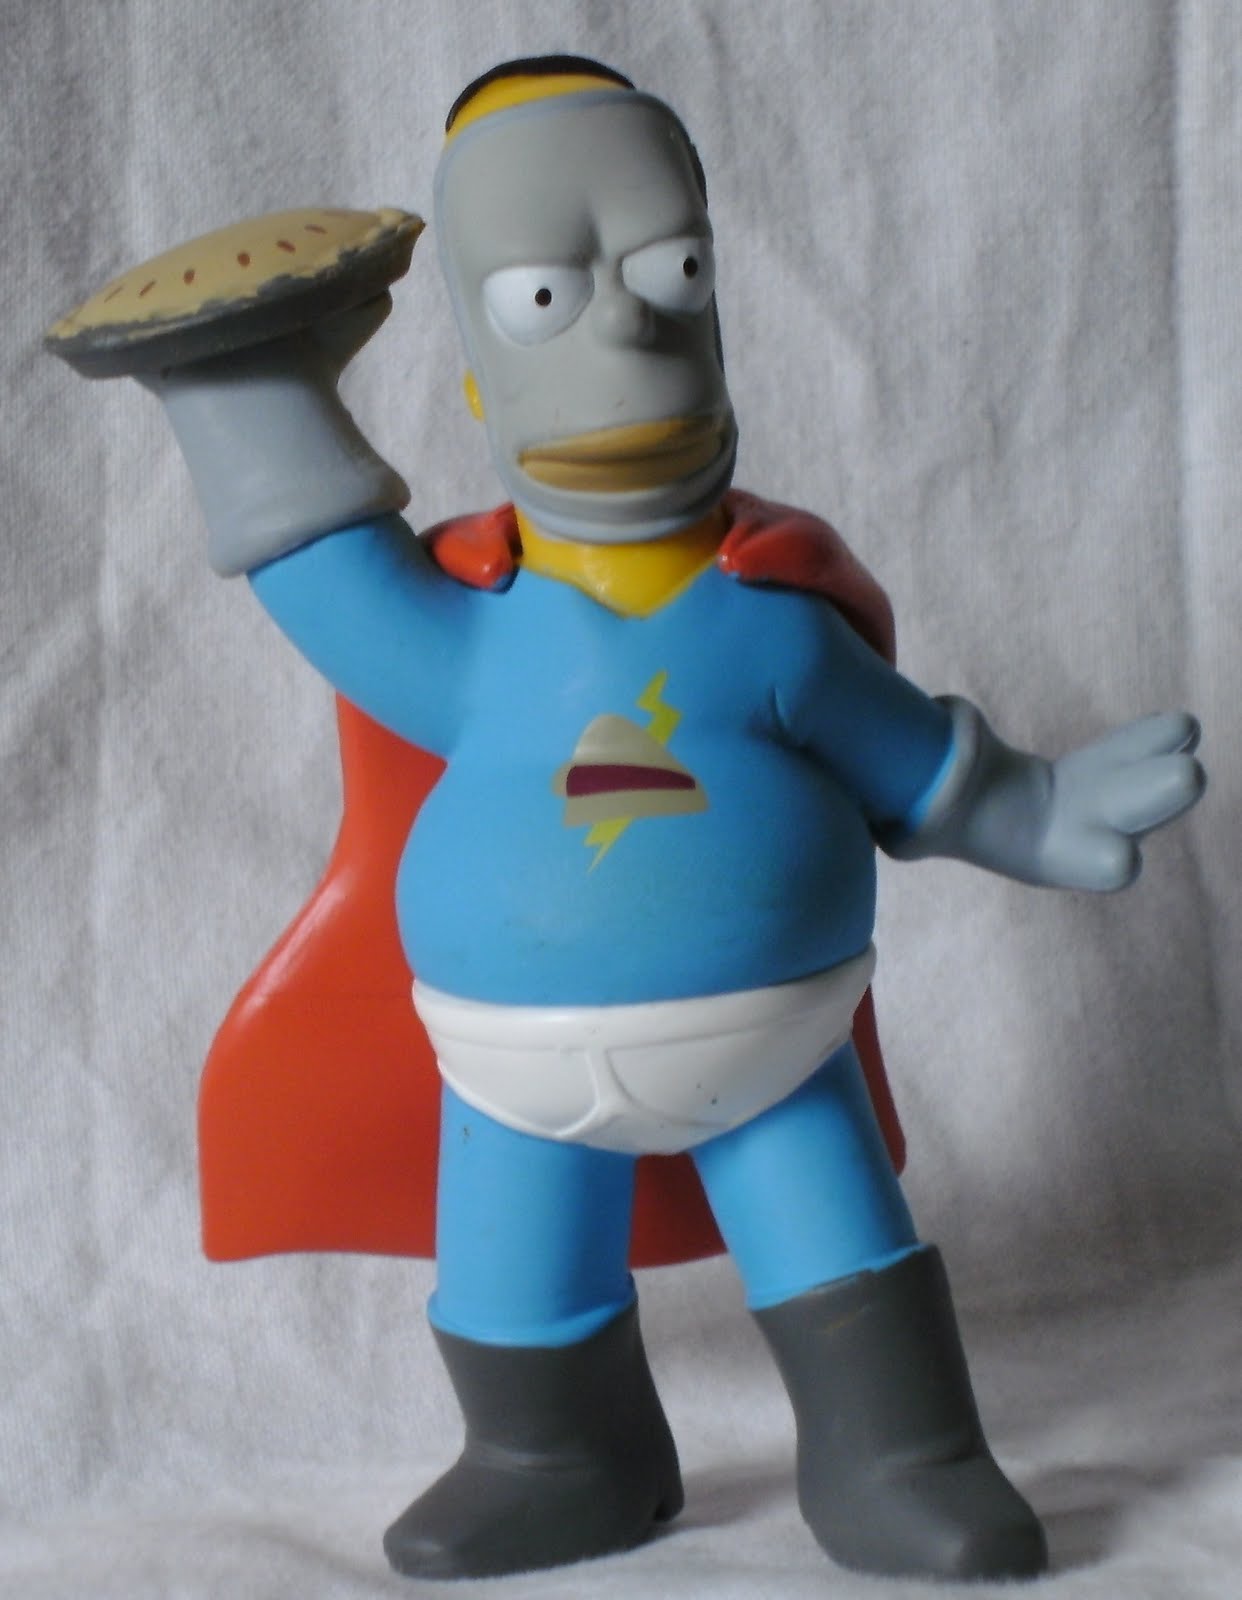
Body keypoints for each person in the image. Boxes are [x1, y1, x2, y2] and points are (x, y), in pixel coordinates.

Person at [78, 55, 1205, 1584]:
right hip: (506, 1073)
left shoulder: (773, 620)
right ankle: (555, 1458)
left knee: (838, 1247)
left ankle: (900, 1455)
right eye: (546, 298)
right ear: (477, 373)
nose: (625, 333)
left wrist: (1032, 802)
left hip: (773, 1055)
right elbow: (315, 559)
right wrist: (239, 380)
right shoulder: (466, 627)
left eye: (671, 275)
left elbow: (914, 763)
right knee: (510, 1276)